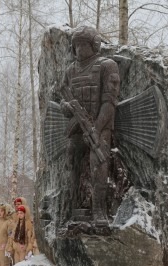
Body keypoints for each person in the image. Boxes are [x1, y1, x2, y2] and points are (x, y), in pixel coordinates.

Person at [60, 25, 122, 222]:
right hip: (76, 125)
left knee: (99, 162)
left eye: (83, 45)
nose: (79, 50)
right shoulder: (70, 71)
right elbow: (62, 100)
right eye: (76, 46)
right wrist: (67, 107)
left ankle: (99, 210)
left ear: (94, 45)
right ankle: (73, 207)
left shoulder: (107, 65)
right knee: (71, 157)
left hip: (100, 124)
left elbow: (109, 103)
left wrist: (95, 128)